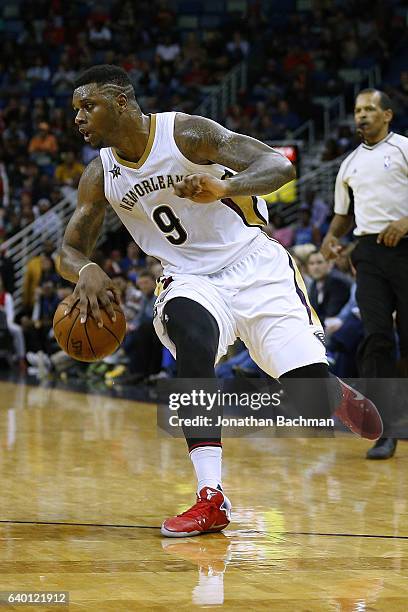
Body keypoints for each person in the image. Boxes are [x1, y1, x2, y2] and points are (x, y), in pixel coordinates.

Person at [60, 65, 382, 538]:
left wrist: (225, 186)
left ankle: (332, 392)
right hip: (188, 279)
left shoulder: (186, 134)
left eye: (89, 106)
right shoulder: (100, 175)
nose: (79, 118)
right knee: (192, 339)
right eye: (75, 110)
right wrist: (86, 270)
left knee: (305, 388)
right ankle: (211, 496)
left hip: (254, 265)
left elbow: (280, 166)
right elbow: (68, 249)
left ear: (123, 102)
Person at [321, 88, 408, 460]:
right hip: (369, 252)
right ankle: (385, 428)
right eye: (357, 110)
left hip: (405, 244)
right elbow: (343, 213)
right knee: (376, 336)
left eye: (370, 109)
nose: (362, 115)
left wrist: (405, 222)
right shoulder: (350, 163)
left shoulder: (404, 147)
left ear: (387, 114)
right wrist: (330, 237)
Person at [307, 251, 351, 325]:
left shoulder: (337, 281)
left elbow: (331, 314)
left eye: (319, 262)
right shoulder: (314, 283)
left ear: (329, 264)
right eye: (311, 263)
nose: (315, 267)